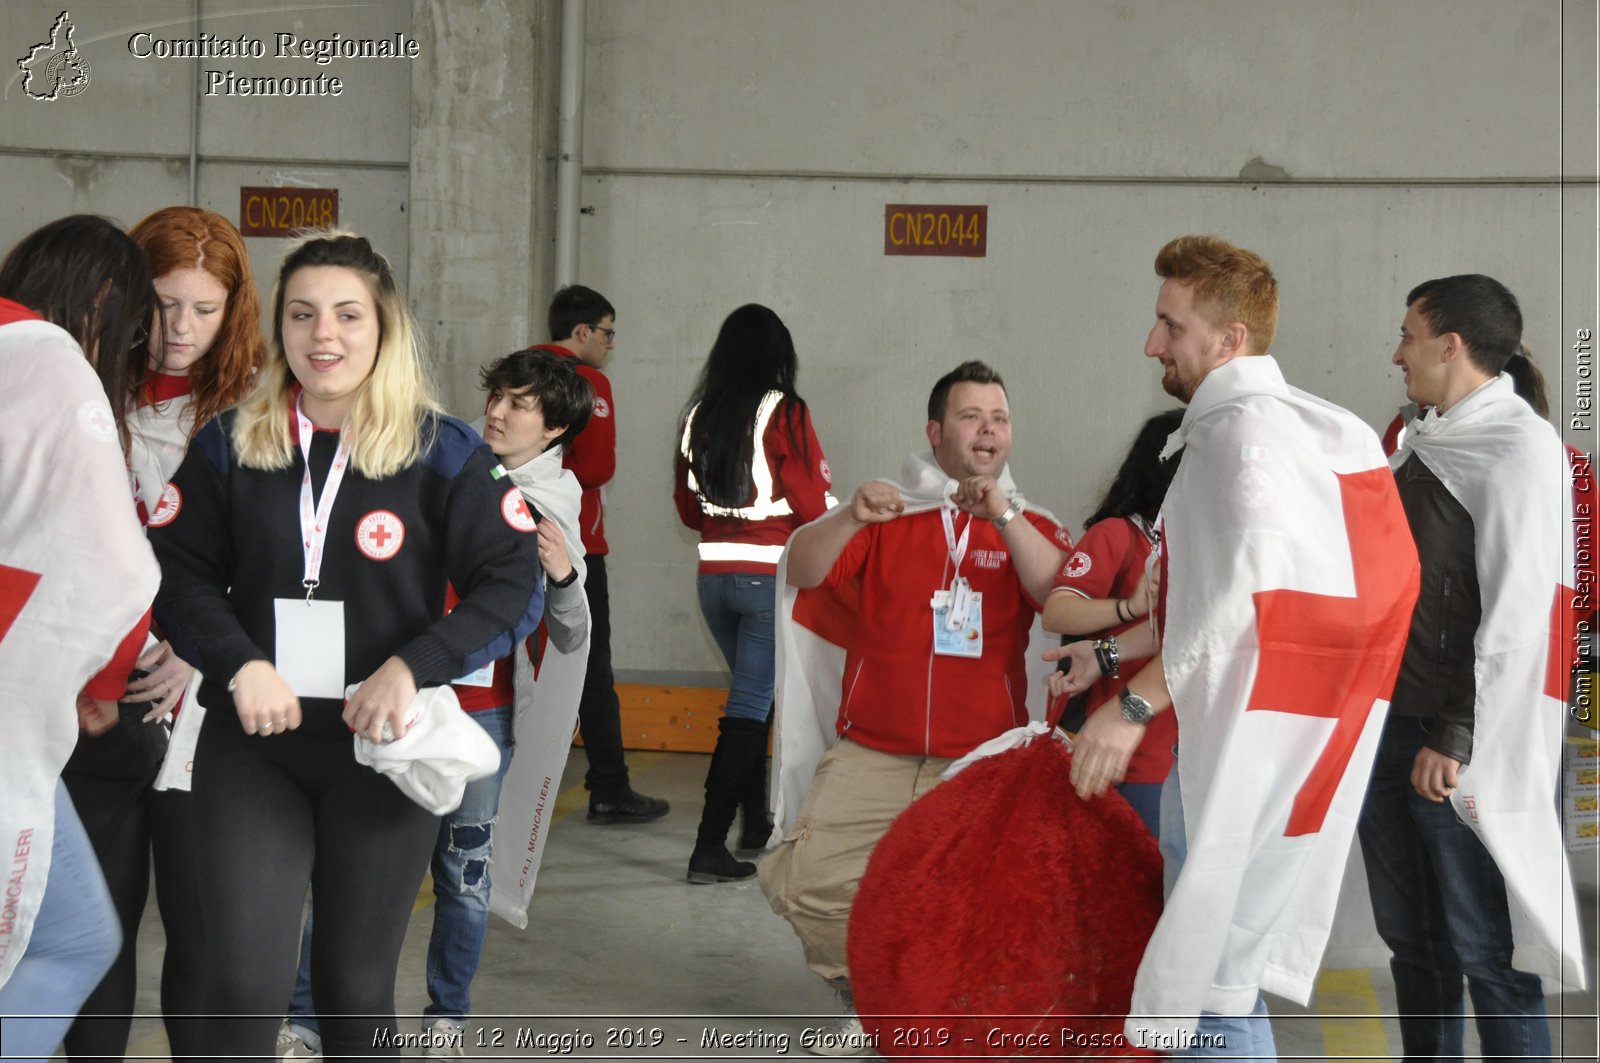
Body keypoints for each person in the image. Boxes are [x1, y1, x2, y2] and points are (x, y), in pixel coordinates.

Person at [148, 231, 544, 1060]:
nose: (322, 335)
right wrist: (239, 661)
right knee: (245, 985)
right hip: (255, 742)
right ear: (279, 326)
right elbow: (175, 572)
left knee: (354, 989)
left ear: (384, 326)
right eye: (302, 313)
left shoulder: (445, 453)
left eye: (346, 314)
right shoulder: (231, 444)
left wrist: (414, 666)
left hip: (381, 751)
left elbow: (513, 581)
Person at [1055, 235, 1419, 1057]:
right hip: (1288, 740)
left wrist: (1133, 703)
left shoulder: (1235, 435)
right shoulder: (1325, 431)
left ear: (1228, 341)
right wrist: (1111, 657)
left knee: (1213, 986)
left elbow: (1242, 595)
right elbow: (1232, 602)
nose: (1153, 343)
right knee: (1226, 975)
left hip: (1237, 748)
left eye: (1169, 325)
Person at [279, 347, 594, 1058]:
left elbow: (573, 632)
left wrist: (565, 574)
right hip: (390, 696)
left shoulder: (552, 507)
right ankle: (305, 1016)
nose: (498, 412)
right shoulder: (439, 471)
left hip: (478, 710)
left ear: (555, 430)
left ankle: (446, 1017)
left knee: (464, 873)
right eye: (497, 396)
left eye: (519, 404)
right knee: (349, 861)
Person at [760, 360, 1067, 1052]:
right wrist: (846, 515)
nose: (988, 429)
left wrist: (1006, 515)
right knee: (804, 882)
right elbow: (801, 570)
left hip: (980, 759)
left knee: (982, 905)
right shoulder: (888, 511)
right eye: (970, 415)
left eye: (1000, 417)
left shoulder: (1031, 521)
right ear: (935, 431)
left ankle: (935, 1010)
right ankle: (875, 999)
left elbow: (1058, 597)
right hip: (874, 751)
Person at [1360, 275, 1587, 1061]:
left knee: (1489, 953)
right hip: (1392, 723)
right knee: (1413, 947)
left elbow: (1521, 607)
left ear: (1449, 345)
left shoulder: (1522, 448)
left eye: (1408, 334)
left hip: (1458, 740)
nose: (1398, 353)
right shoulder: (1420, 440)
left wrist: (1454, 735)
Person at [62, 204, 266, 1063]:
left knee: (202, 930)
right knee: (93, 927)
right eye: (162, 303)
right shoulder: (78, 389)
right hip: (91, 696)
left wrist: (200, 641)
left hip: (204, 706)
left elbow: (283, 561)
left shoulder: (260, 414)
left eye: (203, 309)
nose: (179, 329)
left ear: (233, 313)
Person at [0, 216, 160, 1059]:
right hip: (6, 723)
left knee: (70, 933)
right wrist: (102, 676)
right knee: (67, 941)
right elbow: (116, 564)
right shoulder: (55, 366)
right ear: (103, 304)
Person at [674, 304, 835, 884]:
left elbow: (687, 510)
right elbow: (814, 505)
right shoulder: (785, 411)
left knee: (753, 698)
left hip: (712, 577)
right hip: (767, 576)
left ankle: (752, 823)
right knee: (748, 708)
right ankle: (708, 848)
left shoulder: (698, 415)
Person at [529, 285, 668, 823]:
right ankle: (609, 786)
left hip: (511, 539)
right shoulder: (589, 382)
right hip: (574, 548)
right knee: (591, 667)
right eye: (608, 332)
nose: (610, 344)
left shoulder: (519, 373)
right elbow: (598, 467)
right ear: (582, 332)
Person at [1042, 409, 1183, 838]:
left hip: (1183, 755)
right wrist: (1128, 608)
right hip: (1123, 754)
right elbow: (1057, 610)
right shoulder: (1119, 535)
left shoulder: (1198, 543)